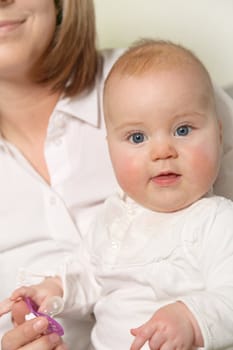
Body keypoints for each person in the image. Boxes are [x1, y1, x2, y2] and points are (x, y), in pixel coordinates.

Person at [0, 0, 233, 349]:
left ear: (217, 133)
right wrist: (54, 291)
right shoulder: (116, 218)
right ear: (108, 145)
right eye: (137, 138)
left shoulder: (217, 221)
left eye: (183, 130)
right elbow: (90, 275)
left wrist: (193, 317)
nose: (163, 151)